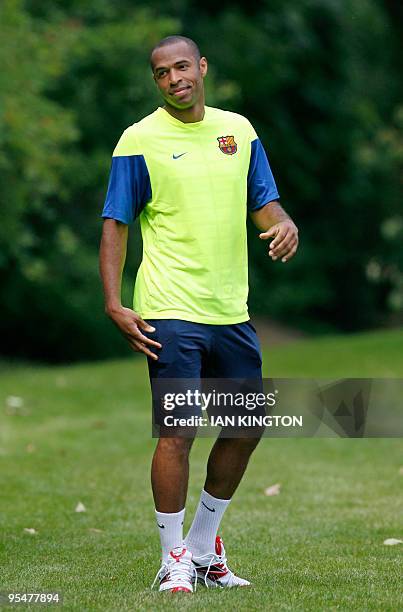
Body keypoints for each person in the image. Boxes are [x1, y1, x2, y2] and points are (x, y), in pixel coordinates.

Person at [99, 35, 299, 594]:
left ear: (202, 66)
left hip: (230, 309)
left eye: (182, 67)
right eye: (161, 73)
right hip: (170, 308)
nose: (174, 79)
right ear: (156, 81)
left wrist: (282, 225)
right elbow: (116, 221)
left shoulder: (239, 130)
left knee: (246, 427)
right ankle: (172, 558)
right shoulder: (139, 140)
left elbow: (264, 203)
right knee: (179, 431)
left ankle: (206, 546)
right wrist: (115, 302)